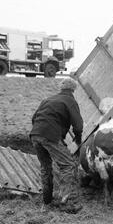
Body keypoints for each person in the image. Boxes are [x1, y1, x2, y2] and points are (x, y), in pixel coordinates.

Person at [30, 78, 83, 209]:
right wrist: (78, 139)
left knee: (45, 167)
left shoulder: (48, 99)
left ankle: (46, 202)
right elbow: (78, 125)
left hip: (35, 134)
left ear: (61, 88)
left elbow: (34, 118)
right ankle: (66, 203)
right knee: (68, 165)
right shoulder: (70, 101)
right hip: (50, 136)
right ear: (73, 89)